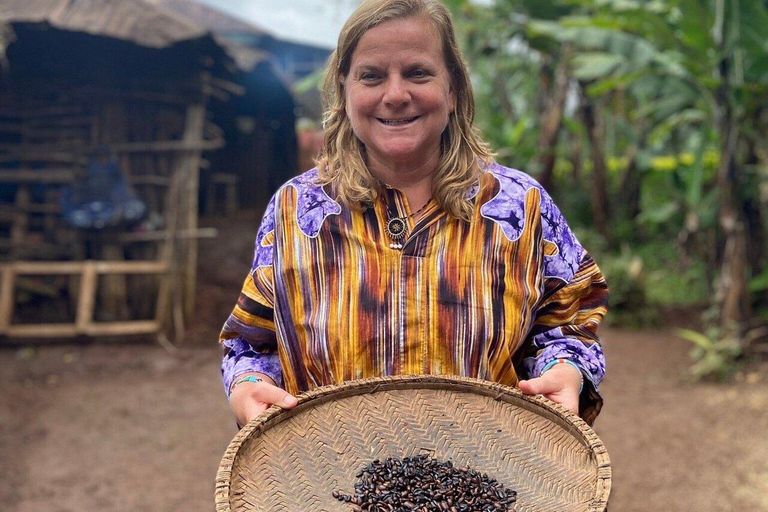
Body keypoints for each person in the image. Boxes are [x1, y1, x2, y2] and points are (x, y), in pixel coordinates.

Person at [219, 0, 608, 428]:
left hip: (491, 472)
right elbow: (252, 343)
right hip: (329, 476)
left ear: (453, 89)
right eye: (372, 76)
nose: (396, 95)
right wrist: (249, 382)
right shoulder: (298, 212)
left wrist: (565, 370)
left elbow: (569, 326)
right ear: (345, 90)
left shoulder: (518, 207)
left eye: (417, 73)